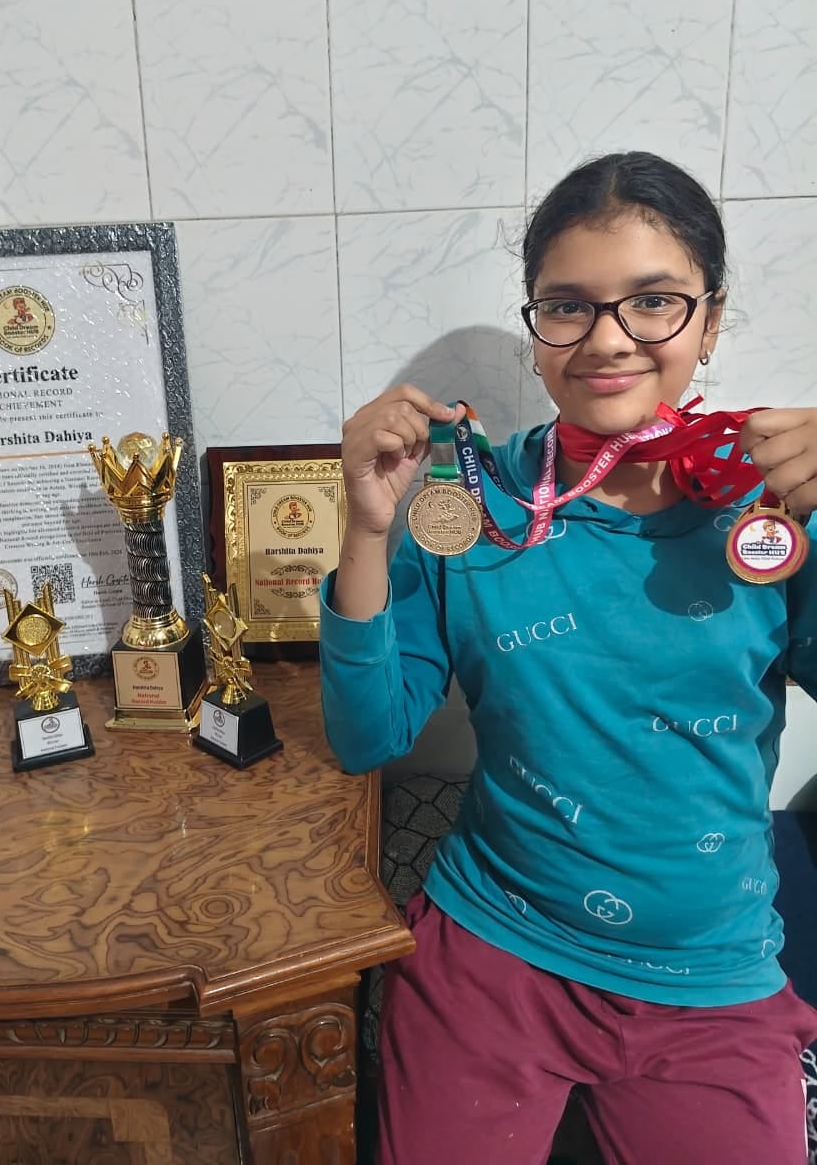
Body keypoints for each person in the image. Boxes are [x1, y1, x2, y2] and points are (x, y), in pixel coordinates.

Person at [318, 151, 817, 1165]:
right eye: (568, 306)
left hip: (711, 975)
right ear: (537, 326)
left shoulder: (775, 501)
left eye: (654, 301)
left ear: (711, 321)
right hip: (493, 954)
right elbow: (369, 735)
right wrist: (365, 528)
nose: (608, 339)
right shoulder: (473, 507)